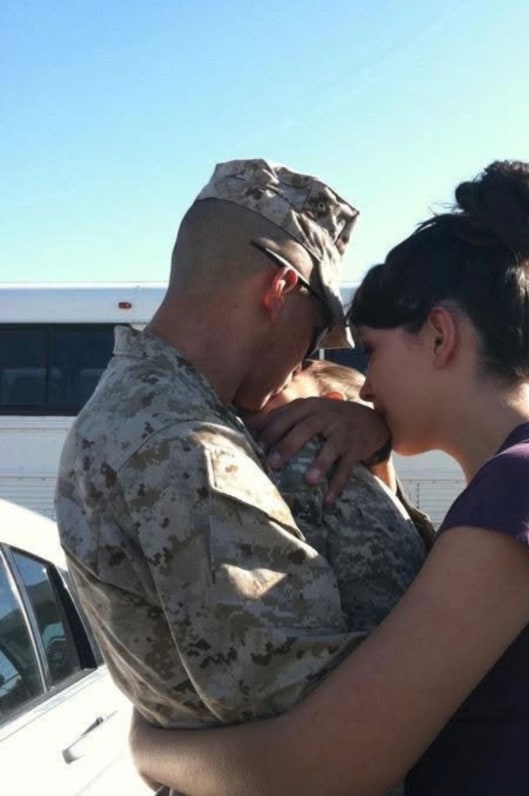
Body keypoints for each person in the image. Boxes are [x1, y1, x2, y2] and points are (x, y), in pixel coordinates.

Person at [130, 159, 529, 795]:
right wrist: (380, 439)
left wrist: (152, 745)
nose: (366, 384)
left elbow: (320, 772)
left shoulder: (528, 489)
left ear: (439, 336)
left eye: (373, 353)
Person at [55, 158, 397, 728]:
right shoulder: (183, 446)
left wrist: (376, 441)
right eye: (314, 335)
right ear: (280, 290)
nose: (308, 362)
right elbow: (323, 714)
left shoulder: (181, 409)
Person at [241, 359, 431, 631]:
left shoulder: (304, 465)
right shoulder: (377, 491)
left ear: (332, 405)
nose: (262, 392)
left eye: (284, 384)